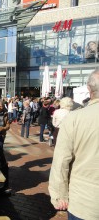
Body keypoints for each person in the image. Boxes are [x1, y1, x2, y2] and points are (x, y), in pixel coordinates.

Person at [49, 70, 99, 219]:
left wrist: (59, 196)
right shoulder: (73, 116)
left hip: (85, 202)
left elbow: (61, 161)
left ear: (89, 90)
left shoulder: (75, 118)